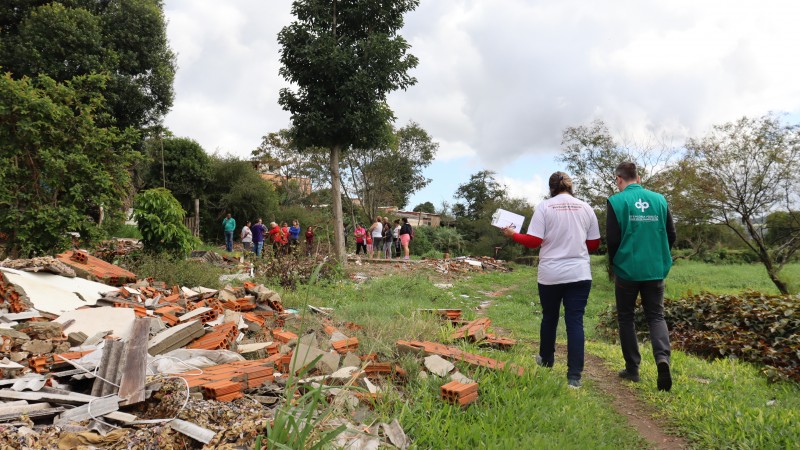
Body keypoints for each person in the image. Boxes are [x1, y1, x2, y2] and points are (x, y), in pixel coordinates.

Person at [502, 172, 600, 389]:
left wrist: (513, 235)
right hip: (579, 274)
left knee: (550, 318)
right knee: (575, 322)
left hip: (551, 274)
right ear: (570, 187)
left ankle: (546, 360)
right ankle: (574, 377)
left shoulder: (545, 207)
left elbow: (535, 241)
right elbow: (594, 245)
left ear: (551, 188)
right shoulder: (586, 207)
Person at [607, 161, 676, 392]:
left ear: (619, 179)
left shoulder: (616, 201)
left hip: (627, 270)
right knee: (656, 316)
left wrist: (615, 263)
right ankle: (662, 360)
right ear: (638, 177)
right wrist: (659, 254)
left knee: (626, 317)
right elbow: (671, 234)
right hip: (655, 269)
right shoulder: (660, 200)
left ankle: (633, 369)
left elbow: (613, 240)